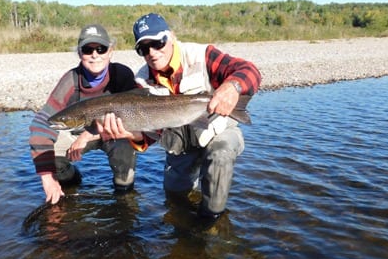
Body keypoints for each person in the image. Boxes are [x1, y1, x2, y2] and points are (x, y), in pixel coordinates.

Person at [99, 13, 261, 220]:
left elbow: (249, 70)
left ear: (171, 36)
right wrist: (131, 135)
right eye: (144, 48)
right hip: (179, 146)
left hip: (217, 133)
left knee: (220, 155)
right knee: (174, 196)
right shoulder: (142, 81)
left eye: (158, 43)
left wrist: (233, 87)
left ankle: (211, 220)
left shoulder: (201, 55)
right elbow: (152, 133)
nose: (152, 53)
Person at [29, 24, 138, 204]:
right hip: (75, 131)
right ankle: (71, 182)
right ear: (80, 54)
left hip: (114, 133)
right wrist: (47, 178)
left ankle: (124, 197)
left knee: (126, 149)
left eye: (101, 49)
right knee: (51, 153)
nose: (95, 55)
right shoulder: (70, 81)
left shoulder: (122, 75)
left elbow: (136, 113)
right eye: (88, 50)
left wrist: (87, 136)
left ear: (110, 51)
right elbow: (41, 124)